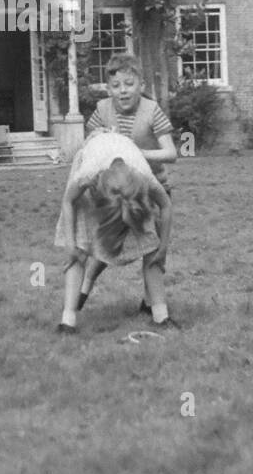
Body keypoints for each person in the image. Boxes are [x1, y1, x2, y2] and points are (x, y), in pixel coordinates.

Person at [75, 53, 178, 316]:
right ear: (109, 89)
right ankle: (85, 287)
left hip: (152, 191)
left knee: (153, 249)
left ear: (140, 85)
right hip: (118, 191)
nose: (123, 91)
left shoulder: (152, 110)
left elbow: (171, 153)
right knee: (109, 243)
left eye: (129, 84)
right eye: (116, 86)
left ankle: (154, 308)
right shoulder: (102, 110)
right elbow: (90, 144)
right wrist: (98, 138)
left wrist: (136, 154)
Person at [57, 131, 173, 333]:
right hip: (95, 160)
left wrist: (162, 248)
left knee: (151, 246)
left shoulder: (143, 175)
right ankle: (68, 320)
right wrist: (70, 243)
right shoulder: (88, 174)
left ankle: (161, 317)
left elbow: (166, 205)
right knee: (79, 246)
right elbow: (68, 201)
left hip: (128, 163)